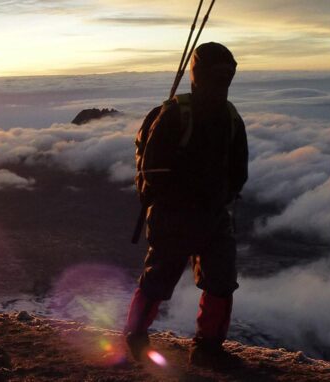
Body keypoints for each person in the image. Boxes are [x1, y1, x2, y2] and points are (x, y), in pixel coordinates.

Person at [125, 42, 248, 369]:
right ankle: (145, 337)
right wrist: (211, 197)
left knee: (213, 280)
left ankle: (201, 347)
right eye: (219, 75)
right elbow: (238, 172)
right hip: (183, 216)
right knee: (168, 280)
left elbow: (236, 169)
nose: (223, 82)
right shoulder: (186, 114)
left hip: (192, 215)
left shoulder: (217, 115)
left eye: (227, 76)